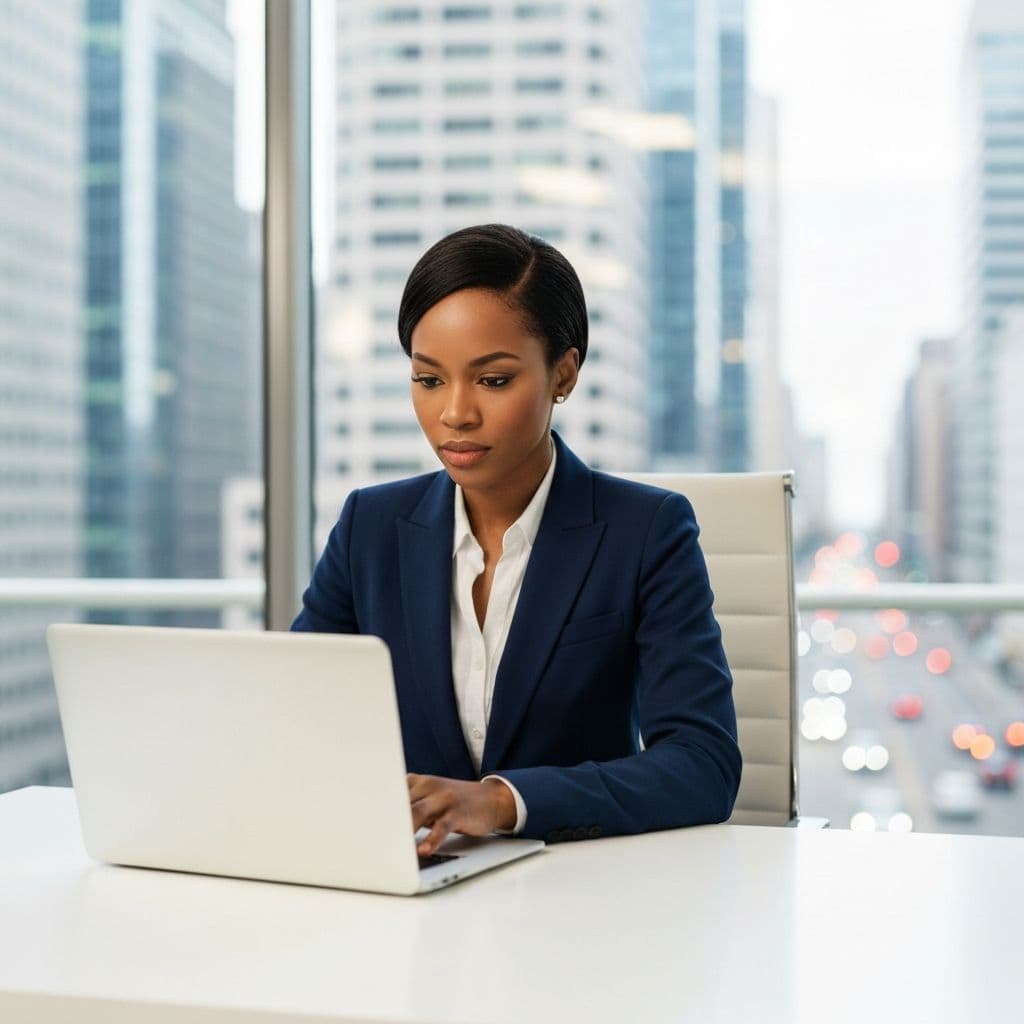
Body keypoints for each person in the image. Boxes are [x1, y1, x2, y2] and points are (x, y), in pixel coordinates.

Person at [292, 224, 741, 856]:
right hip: (410, 883)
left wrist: (502, 801)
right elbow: (295, 719)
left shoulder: (648, 531)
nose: (455, 413)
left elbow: (703, 765)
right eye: (429, 380)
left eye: (493, 380)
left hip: (580, 892)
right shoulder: (369, 526)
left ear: (563, 372)